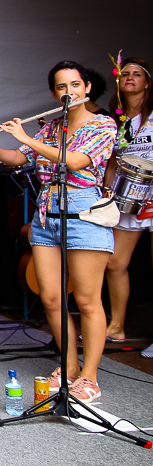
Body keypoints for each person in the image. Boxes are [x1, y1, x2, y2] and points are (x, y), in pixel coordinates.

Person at [0, 60, 116, 403]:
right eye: (62, 87)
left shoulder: (103, 125)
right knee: (52, 299)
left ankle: (90, 377)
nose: (69, 92)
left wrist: (24, 136)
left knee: (86, 300)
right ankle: (67, 368)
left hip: (84, 214)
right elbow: (18, 158)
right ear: (54, 93)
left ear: (87, 89)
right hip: (46, 215)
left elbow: (74, 161)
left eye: (75, 85)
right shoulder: (52, 127)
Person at [103, 57, 153, 346]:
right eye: (125, 74)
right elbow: (112, 160)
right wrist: (107, 193)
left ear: (147, 82)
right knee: (115, 263)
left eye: (136, 74)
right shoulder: (118, 118)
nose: (130, 78)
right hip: (129, 197)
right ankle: (116, 326)